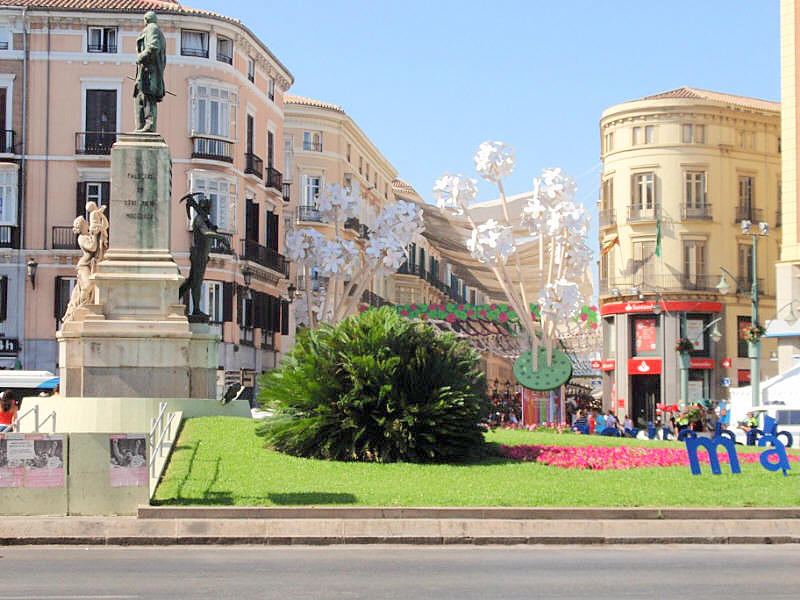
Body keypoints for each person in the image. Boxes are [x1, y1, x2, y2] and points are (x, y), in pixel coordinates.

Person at [134, 11, 167, 133]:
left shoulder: (152, 29)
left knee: (147, 97)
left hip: (149, 71)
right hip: (146, 71)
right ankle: (141, 126)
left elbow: (153, 46)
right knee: (140, 98)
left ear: (146, 20)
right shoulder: (155, 30)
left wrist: (141, 57)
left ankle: (148, 125)